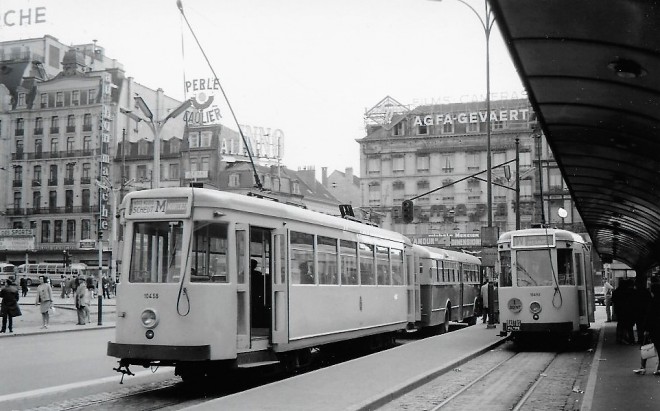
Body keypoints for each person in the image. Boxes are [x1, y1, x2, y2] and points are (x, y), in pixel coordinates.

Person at [634, 282, 660, 375]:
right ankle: (658, 369)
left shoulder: (652, 302)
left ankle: (643, 367)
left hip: (653, 329)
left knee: (645, 347)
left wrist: (646, 329)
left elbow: (649, 317)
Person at [613, 279, 636, 344]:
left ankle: (619, 338)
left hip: (619, 311)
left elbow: (614, 301)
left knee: (620, 325)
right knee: (629, 326)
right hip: (628, 311)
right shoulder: (628, 292)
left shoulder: (616, 292)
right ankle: (631, 339)